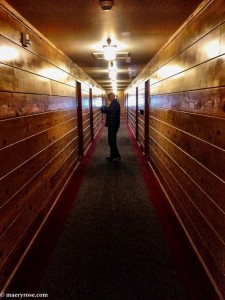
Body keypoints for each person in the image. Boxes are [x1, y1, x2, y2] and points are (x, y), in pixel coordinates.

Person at [102, 92, 121, 162]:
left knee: (112, 140)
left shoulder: (115, 103)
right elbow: (110, 111)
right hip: (113, 124)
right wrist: (105, 109)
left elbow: (109, 111)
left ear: (112, 96)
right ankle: (112, 155)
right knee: (111, 140)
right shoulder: (114, 103)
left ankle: (116, 156)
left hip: (113, 124)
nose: (108, 99)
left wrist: (103, 109)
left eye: (109, 97)